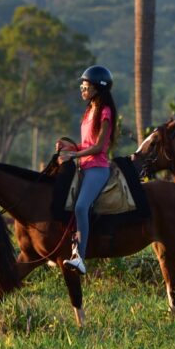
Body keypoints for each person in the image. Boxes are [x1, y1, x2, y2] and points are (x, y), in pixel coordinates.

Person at [55, 64, 118, 275]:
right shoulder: (89, 111)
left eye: (86, 84)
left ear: (98, 87)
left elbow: (99, 147)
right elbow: (86, 144)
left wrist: (73, 155)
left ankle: (80, 258)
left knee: (81, 207)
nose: (82, 88)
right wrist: (69, 147)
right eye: (82, 84)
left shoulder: (105, 112)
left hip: (97, 169)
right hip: (84, 167)